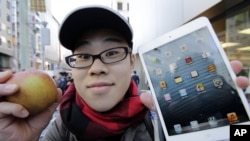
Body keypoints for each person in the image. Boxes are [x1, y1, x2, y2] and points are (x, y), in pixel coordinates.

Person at [0, 5, 249, 141]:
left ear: (132, 62)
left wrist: (235, 134)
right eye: (84, 56)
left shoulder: (163, 121)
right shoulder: (59, 126)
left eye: (111, 53)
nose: (97, 68)